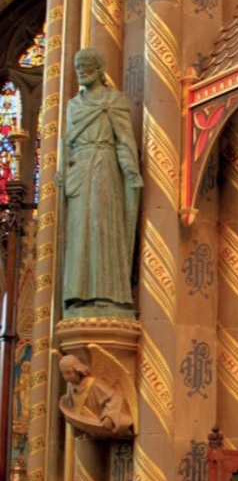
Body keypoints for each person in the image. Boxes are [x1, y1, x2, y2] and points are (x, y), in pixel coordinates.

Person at [62, 48, 143, 315]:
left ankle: (108, 294)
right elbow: (68, 142)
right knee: (79, 231)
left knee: (102, 227)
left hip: (105, 166)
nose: (81, 72)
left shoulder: (113, 101)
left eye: (86, 66)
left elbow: (124, 140)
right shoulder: (73, 105)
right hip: (79, 170)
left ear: (99, 69)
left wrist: (130, 168)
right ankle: (78, 295)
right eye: (78, 67)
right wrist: (63, 166)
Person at [58, 354, 134, 438]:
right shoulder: (71, 388)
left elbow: (116, 397)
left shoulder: (94, 384)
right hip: (90, 432)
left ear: (78, 370)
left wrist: (109, 417)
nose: (66, 377)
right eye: (63, 373)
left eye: (69, 372)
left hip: (108, 430)